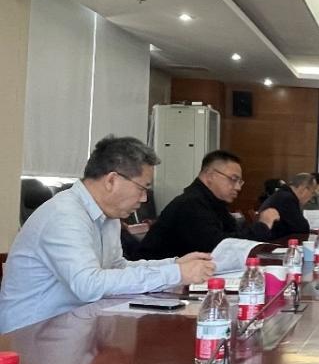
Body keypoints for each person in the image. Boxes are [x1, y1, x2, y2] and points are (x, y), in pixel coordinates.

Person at [0, 136, 215, 333]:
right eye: (142, 188)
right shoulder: (64, 215)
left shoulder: (107, 215)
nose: (144, 199)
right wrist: (175, 274)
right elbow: (89, 285)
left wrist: (174, 264)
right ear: (112, 180)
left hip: (75, 327)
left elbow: (116, 268)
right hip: (30, 336)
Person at [137, 150, 280, 259]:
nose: (238, 187)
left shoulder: (213, 203)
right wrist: (263, 225)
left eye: (240, 182)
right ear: (210, 176)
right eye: (233, 179)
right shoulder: (190, 204)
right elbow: (219, 249)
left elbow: (233, 238)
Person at [259, 173, 317, 240]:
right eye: (312, 193)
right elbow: (302, 228)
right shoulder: (287, 199)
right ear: (304, 189)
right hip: (275, 242)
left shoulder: (283, 194)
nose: (311, 197)